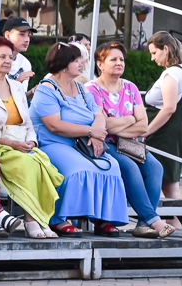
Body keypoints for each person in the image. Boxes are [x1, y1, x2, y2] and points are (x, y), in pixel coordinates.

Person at [0, 37, 63, 238]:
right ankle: (32, 219)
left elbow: (28, 123)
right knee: (29, 163)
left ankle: (41, 218)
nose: (8, 61)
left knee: (43, 164)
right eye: (2, 57)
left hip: (23, 144)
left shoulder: (18, 87)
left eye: (10, 57)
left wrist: (32, 142)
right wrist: (12, 144)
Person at [30, 42, 129, 237]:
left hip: (82, 144)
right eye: (76, 60)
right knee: (78, 170)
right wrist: (91, 131)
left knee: (112, 166)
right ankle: (58, 219)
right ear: (63, 64)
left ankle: (102, 219)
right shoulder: (46, 90)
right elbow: (54, 125)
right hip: (53, 144)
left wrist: (98, 134)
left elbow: (98, 114)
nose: (82, 62)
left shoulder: (81, 89)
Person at [86, 42, 173, 238]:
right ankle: (152, 218)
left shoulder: (130, 87)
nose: (119, 63)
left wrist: (117, 125)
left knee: (156, 167)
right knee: (130, 167)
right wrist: (130, 118)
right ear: (100, 64)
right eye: (113, 59)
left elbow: (143, 126)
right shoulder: (92, 89)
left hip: (129, 144)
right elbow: (104, 126)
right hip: (105, 144)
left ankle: (143, 223)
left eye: (122, 59)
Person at [144, 31, 182, 230]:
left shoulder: (172, 73)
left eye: (155, 53)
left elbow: (169, 108)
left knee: (168, 183)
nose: (152, 58)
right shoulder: (180, 71)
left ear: (166, 49)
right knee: (168, 183)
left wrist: (145, 131)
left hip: (164, 136)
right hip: (169, 134)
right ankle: (175, 225)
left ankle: (175, 225)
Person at [2, 16, 37, 98]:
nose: (27, 39)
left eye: (28, 35)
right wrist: (18, 81)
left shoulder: (25, 63)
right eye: (22, 34)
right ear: (8, 35)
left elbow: (21, 97)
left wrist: (32, 92)